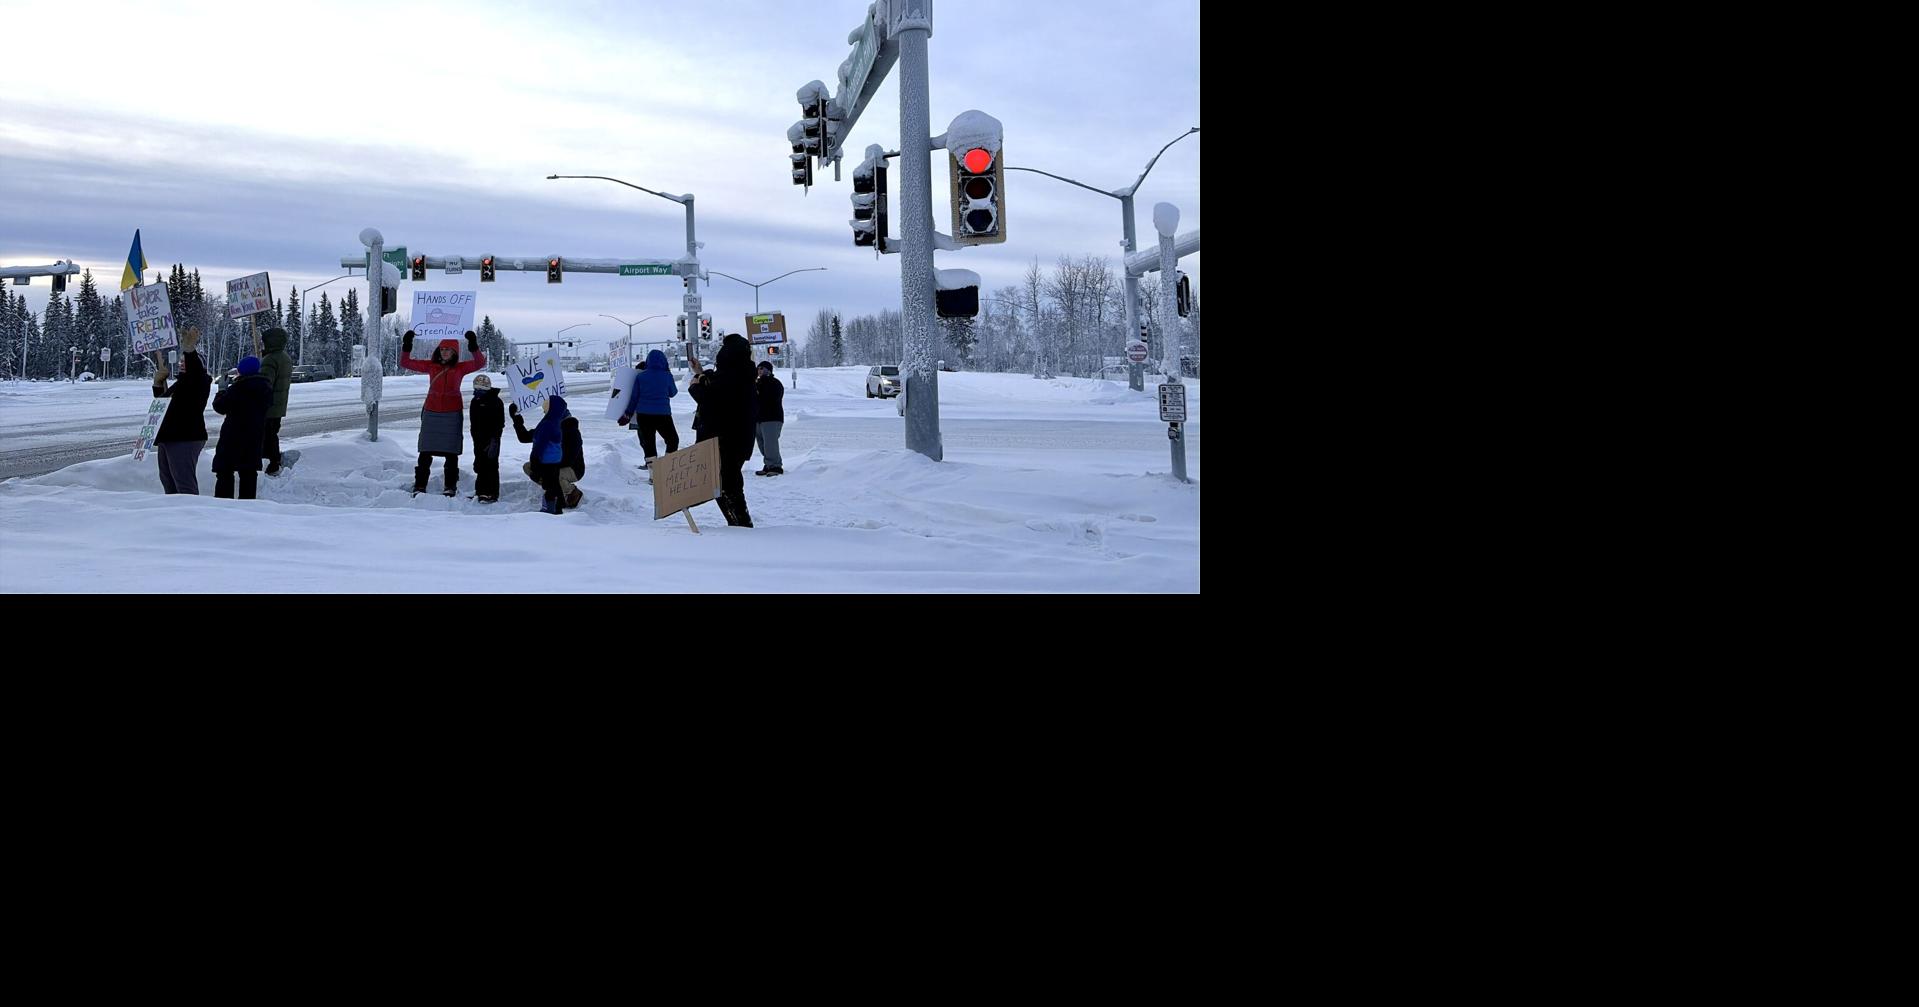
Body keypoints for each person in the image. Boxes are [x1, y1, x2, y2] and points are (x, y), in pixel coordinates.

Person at [398, 329, 486, 495]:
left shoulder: (460, 368)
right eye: (443, 349)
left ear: (455, 352)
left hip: (452, 413)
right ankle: (420, 485)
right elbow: (405, 363)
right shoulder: (431, 366)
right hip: (432, 412)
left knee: (451, 454)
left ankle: (450, 486)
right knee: (425, 452)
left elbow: (480, 363)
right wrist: (407, 345)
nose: (445, 352)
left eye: (449, 350)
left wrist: (473, 345)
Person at [687, 333, 757, 527]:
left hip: (727, 440)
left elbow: (713, 402)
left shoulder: (732, 378)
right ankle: (739, 523)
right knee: (726, 483)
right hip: (737, 440)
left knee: (727, 484)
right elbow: (715, 385)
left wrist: (695, 388)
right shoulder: (742, 373)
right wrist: (699, 372)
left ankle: (740, 525)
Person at [152, 328, 212, 494]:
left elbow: (195, 370)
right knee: (168, 483)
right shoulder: (181, 384)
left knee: (184, 485)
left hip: (185, 437)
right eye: (181, 360)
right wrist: (158, 385)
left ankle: (191, 516)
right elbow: (163, 406)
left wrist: (189, 350)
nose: (182, 363)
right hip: (169, 437)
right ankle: (174, 516)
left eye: (185, 360)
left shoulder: (200, 381)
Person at [211, 355, 272, 500]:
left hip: (233, 437)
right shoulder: (265, 387)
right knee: (249, 473)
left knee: (225, 472)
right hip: (254, 437)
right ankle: (247, 507)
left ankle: (223, 506)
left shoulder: (239, 388)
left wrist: (222, 390)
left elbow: (220, 406)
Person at [511, 395, 585, 514]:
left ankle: (571, 492)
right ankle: (553, 490)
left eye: (546, 411)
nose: (544, 414)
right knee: (528, 467)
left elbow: (569, 459)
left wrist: (545, 467)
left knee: (552, 475)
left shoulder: (571, 431)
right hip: (553, 464)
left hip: (573, 468)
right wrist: (516, 418)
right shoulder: (549, 426)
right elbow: (524, 437)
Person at [618, 348, 680, 468]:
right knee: (672, 440)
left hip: (644, 416)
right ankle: (667, 468)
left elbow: (634, 398)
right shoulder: (667, 376)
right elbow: (673, 393)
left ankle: (653, 474)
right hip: (663, 415)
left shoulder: (641, 376)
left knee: (649, 443)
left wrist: (627, 414)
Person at [258, 326, 294, 475]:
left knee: (266, 437)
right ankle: (273, 462)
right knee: (271, 434)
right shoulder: (284, 357)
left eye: (264, 341)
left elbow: (264, 385)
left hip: (268, 406)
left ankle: (271, 464)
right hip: (277, 406)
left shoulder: (270, 360)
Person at [470, 373, 505, 503]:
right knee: (480, 464)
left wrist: (495, 439)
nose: (478, 392)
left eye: (481, 389)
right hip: (478, 439)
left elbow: (500, 423)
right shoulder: (475, 401)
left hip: (492, 439)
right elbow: (473, 422)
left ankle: (492, 493)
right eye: (476, 389)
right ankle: (480, 491)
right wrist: (475, 437)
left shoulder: (496, 401)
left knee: (491, 465)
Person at [754, 359, 785, 476]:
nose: (759, 371)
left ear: (768, 370)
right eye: (758, 368)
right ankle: (768, 464)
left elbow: (770, 398)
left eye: (762, 368)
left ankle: (776, 466)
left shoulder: (774, 383)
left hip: (772, 417)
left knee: (770, 443)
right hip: (759, 418)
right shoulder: (757, 384)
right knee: (762, 444)